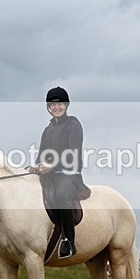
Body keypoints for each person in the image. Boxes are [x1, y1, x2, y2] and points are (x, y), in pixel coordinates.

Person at [29, 87, 86, 259]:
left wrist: (53, 165)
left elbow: (73, 153)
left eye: (60, 104)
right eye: (53, 105)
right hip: (50, 174)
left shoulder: (73, 125)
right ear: (48, 107)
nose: (57, 107)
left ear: (66, 105)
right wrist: (36, 166)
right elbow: (42, 154)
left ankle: (69, 241)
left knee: (61, 196)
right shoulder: (48, 129)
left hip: (69, 174)